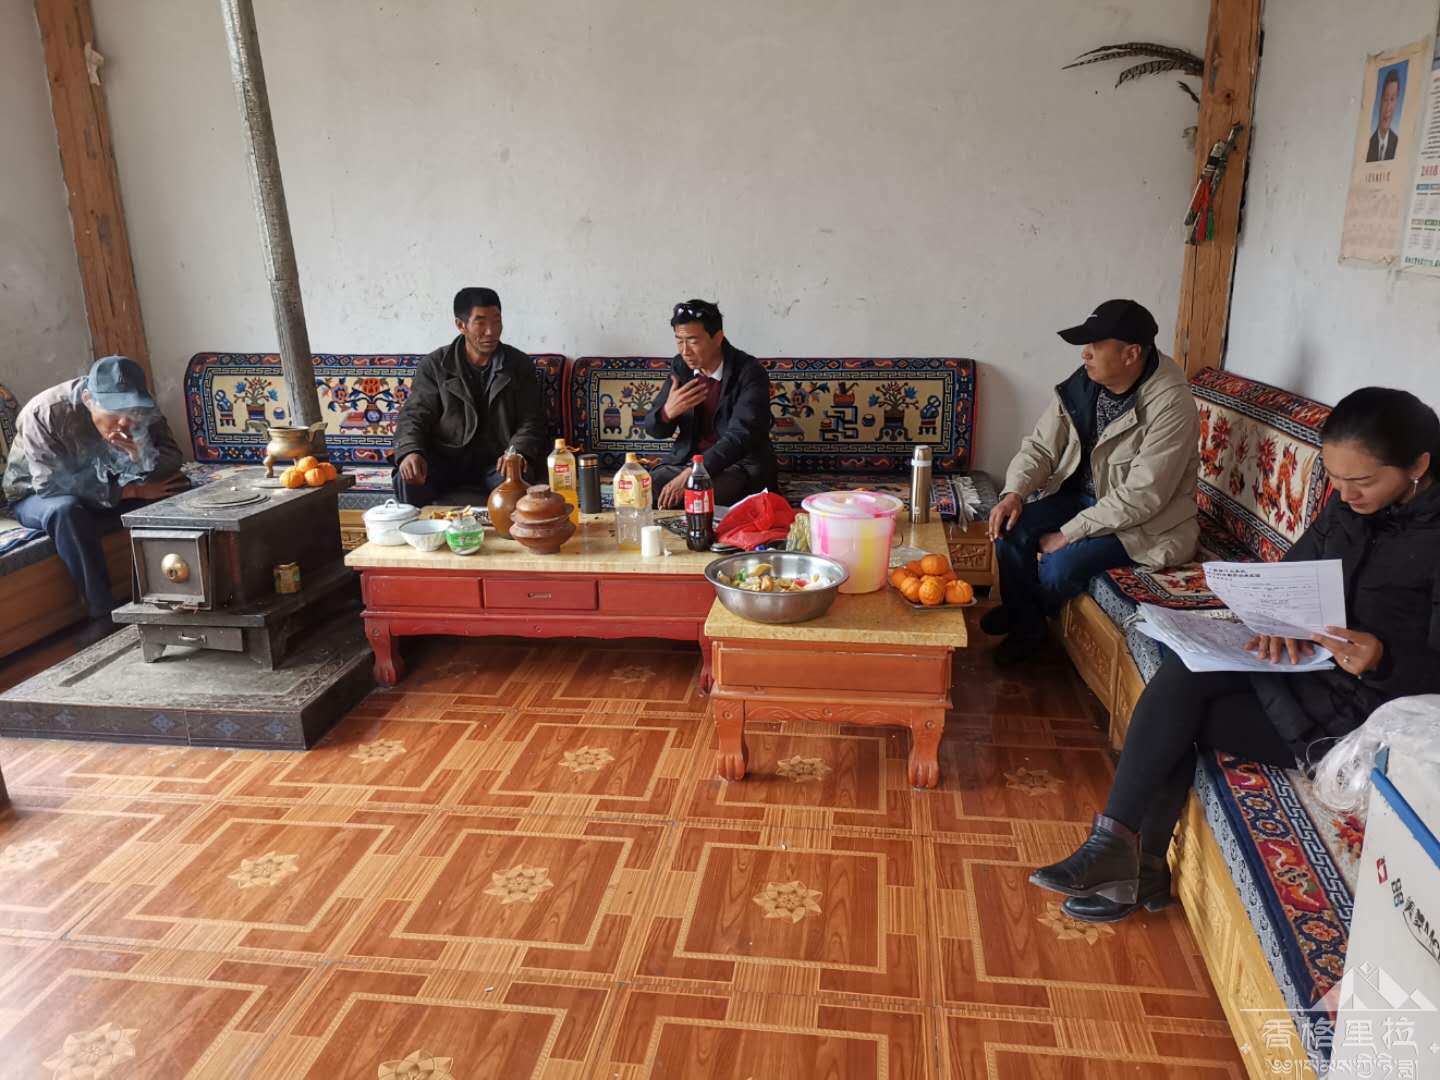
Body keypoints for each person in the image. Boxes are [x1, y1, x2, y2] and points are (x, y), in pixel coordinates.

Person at [1030, 387, 1440, 923]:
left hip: (1366, 718)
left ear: (1418, 466)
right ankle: (1123, 857)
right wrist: (1277, 621)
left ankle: (1131, 865)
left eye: (1361, 481)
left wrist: (1382, 657)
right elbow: (1293, 575)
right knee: (1185, 673)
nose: (1344, 494)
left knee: (1179, 717)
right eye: (1334, 478)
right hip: (1309, 672)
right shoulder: (1349, 508)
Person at [984, 299, 1200, 666]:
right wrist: (1014, 492)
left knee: (1060, 567)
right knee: (1010, 529)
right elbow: (1041, 446)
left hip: (1146, 523)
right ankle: (1027, 621)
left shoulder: (1171, 405)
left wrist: (1069, 533)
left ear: (1131, 354)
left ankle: (1025, 622)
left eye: (1096, 345)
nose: (1085, 354)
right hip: (1083, 498)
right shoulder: (1088, 381)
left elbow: (1144, 496)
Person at [3, 355, 187, 642]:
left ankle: (173, 588)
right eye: (115, 411)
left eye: (131, 410)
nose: (125, 421)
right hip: (35, 495)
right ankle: (103, 613)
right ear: (89, 399)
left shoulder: (139, 405)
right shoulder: (44, 412)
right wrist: (131, 491)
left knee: (176, 486)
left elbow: (173, 458)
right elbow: (51, 485)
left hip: (105, 487)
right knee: (66, 511)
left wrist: (140, 456)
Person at [391, 287, 548, 505]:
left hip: (497, 462)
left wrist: (517, 452)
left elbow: (532, 420)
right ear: (461, 325)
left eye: (496, 321)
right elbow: (414, 415)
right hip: (445, 461)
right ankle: (422, 528)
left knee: (516, 478)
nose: (491, 331)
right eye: (481, 323)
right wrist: (410, 451)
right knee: (408, 477)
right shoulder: (435, 366)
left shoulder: (518, 365)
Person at [642, 299, 778, 509]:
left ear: (718, 338)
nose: (685, 351)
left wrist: (692, 474)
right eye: (679, 341)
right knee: (641, 489)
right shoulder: (681, 367)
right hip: (687, 462)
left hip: (737, 466)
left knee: (697, 494)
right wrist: (667, 412)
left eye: (693, 341)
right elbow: (654, 429)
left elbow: (740, 437)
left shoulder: (749, 372)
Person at [1365, 69, 1401, 162]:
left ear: (1396, 103)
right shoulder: (1367, 145)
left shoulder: (1398, 144)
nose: (1388, 108)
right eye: (1385, 99)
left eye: (1392, 99)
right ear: (1380, 102)